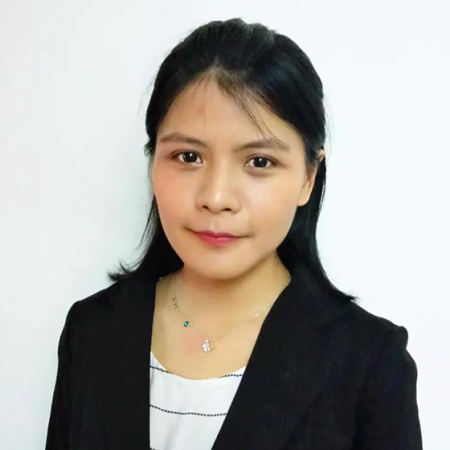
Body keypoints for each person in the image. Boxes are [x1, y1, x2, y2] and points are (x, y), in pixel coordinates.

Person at [45, 18, 423, 450]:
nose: (216, 197)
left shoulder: (369, 362)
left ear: (308, 177)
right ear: (153, 162)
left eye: (259, 162)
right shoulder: (91, 332)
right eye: (188, 156)